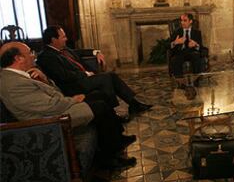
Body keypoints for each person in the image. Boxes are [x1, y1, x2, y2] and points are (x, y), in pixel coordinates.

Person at [0, 42, 136, 168]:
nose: (33, 55)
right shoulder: (13, 84)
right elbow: (50, 106)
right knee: (99, 106)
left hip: (54, 109)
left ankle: (117, 140)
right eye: (30, 53)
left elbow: (54, 93)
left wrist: (45, 79)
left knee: (99, 96)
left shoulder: (19, 76)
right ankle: (109, 158)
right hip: (48, 121)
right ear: (19, 59)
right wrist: (73, 100)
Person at [37, 26, 152, 115]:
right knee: (105, 78)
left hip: (82, 80)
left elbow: (80, 52)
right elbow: (62, 75)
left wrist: (96, 52)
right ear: (53, 40)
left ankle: (134, 104)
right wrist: (85, 74)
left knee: (110, 76)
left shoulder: (63, 49)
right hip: (73, 85)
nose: (66, 39)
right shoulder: (46, 56)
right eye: (63, 37)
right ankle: (113, 112)